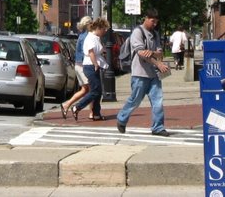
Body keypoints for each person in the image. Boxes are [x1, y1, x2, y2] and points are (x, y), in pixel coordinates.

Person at [116, 9, 171, 137]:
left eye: (156, 22)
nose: (154, 24)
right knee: (135, 100)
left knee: (158, 101)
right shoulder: (137, 32)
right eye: (152, 21)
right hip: (139, 74)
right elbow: (141, 54)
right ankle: (122, 118)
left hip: (153, 75)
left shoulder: (155, 34)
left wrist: (152, 53)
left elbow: (159, 53)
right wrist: (157, 62)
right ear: (146, 18)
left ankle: (158, 127)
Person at [69, 17, 109, 121]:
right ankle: (77, 107)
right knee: (95, 91)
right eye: (104, 29)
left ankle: (96, 113)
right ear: (99, 28)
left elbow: (96, 50)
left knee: (98, 91)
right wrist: (95, 64)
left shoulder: (96, 37)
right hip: (90, 66)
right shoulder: (90, 37)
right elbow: (91, 52)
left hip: (93, 66)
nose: (105, 31)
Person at [59, 15, 91, 118]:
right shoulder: (86, 36)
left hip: (78, 65)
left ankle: (67, 105)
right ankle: (89, 112)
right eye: (91, 23)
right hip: (82, 66)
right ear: (88, 25)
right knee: (91, 89)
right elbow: (87, 52)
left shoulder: (81, 35)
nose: (93, 25)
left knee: (86, 90)